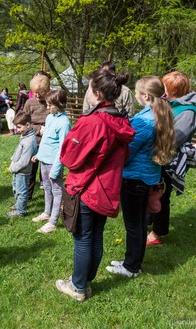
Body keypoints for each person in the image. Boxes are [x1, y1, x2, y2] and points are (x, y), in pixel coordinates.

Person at [55, 69, 135, 302]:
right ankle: (85, 283)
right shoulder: (121, 121)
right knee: (96, 237)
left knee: (83, 238)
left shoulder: (91, 122)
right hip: (107, 189)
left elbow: (69, 158)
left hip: (87, 188)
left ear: (97, 92)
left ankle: (78, 286)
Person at [105, 76, 175, 278]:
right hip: (148, 177)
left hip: (135, 179)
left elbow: (127, 152)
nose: (135, 96)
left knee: (134, 225)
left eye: (136, 93)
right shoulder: (159, 114)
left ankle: (131, 267)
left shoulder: (144, 122)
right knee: (139, 223)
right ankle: (131, 261)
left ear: (145, 96)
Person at [147, 71, 196, 246]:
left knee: (161, 195)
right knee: (150, 190)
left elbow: (176, 138)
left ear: (173, 91)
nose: (162, 90)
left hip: (169, 160)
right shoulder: (171, 103)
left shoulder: (187, 111)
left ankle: (157, 233)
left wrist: (151, 140)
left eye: (165, 87)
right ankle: (147, 222)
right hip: (157, 154)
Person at [31, 88, 71, 233]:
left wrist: (56, 168)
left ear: (59, 104)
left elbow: (63, 148)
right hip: (44, 161)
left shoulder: (64, 123)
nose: (47, 108)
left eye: (50, 105)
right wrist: (39, 155)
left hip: (54, 163)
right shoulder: (50, 118)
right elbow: (46, 140)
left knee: (57, 191)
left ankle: (53, 222)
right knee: (46, 188)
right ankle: (47, 213)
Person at [23, 71, 51, 199]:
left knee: (46, 173)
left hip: (48, 143)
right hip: (33, 141)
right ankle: (27, 197)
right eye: (34, 92)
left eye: (40, 92)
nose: (37, 95)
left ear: (46, 90)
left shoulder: (51, 103)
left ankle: (49, 199)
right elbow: (23, 123)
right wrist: (38, 129)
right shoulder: (29, 103)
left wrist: (48, 129)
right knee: (30, 172)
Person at [7, 112, 38, 218]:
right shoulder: (25, 135)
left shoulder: (29, 141)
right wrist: (12, 161)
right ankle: (18, 204)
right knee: (16, 187)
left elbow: (24, 161)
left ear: (28, 125)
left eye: (19, 127)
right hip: (18, 169)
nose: (17, 130)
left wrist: (13, 168)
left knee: (21, 190)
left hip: (22, 170)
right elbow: (18, 151)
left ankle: (20, 211)